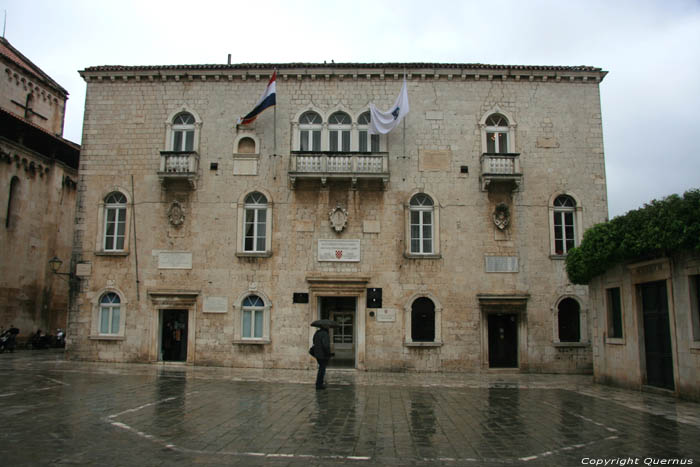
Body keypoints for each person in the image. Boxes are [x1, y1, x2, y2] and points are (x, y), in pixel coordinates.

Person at [312, 325, 331, 390]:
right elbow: (326, 345)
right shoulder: (325, 334)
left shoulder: (317, 333)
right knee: (322, 369)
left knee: (321, 368)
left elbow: (314, 341)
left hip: (317, 353)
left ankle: (318, 383)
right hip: (323, 354)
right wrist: (328, 353)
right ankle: (319, 384)